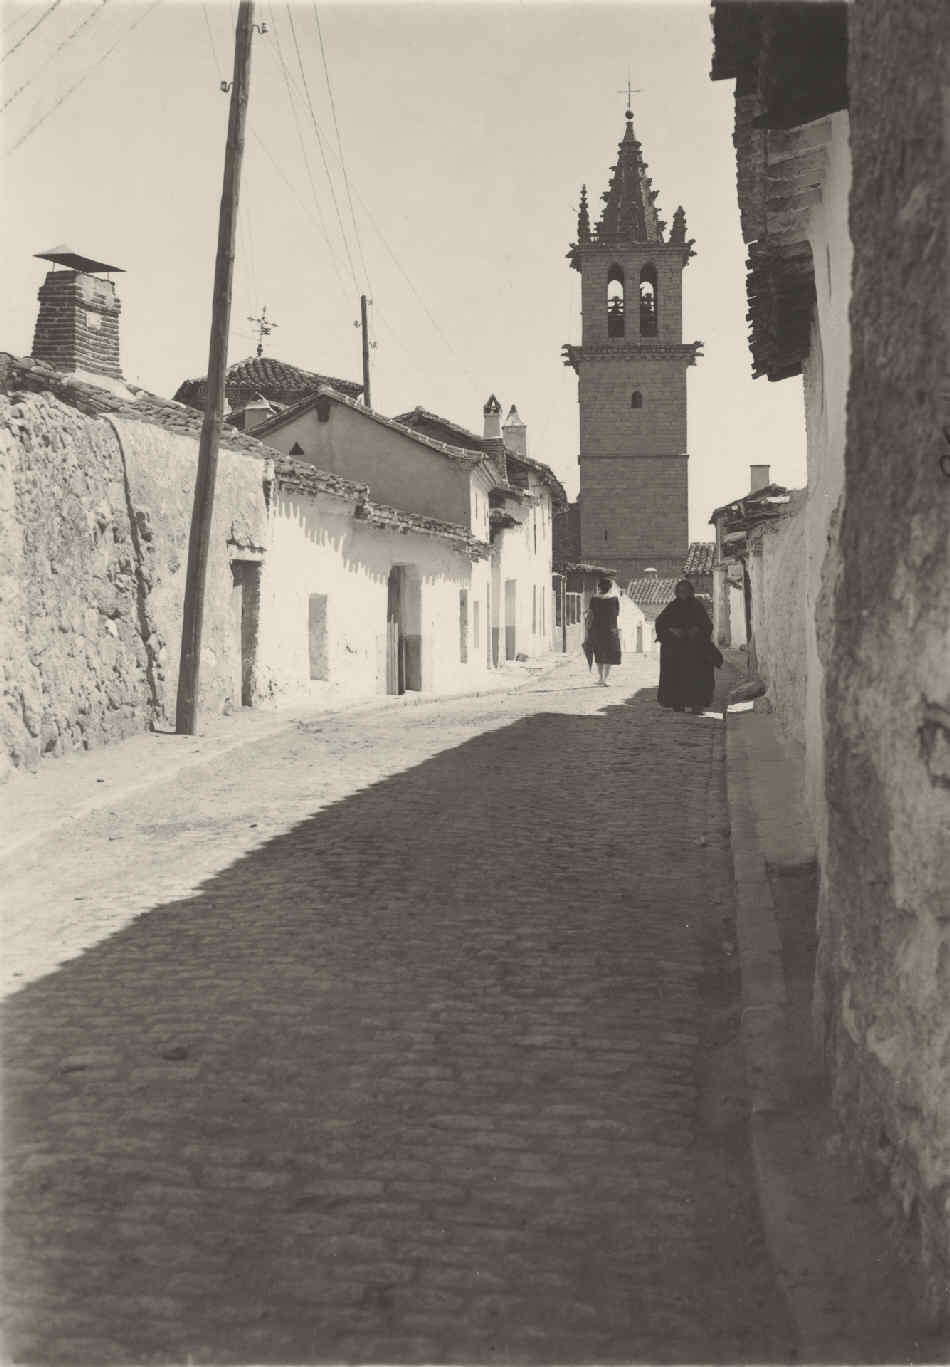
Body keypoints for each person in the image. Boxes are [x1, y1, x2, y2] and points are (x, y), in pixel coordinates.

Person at [655, 578, 716, 713]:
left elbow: (707, 625)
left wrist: (696, 630)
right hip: (676, 651)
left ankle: (697, 705)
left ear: (691, 592)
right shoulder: (672, 607)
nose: (683, 594)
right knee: (676, 677)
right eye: (680, 591)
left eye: (686, 591)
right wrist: (672, 630)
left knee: (697, 678)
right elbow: (660, 623)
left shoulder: (697, 607)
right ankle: (678, 703)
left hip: (695, 651)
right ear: (676, 592)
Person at [586, 577, 622, 686]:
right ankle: (605, 679)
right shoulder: (614, 599)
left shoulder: (594, 599)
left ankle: (601, 678)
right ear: (610, 587)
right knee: (609, 655)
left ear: (599, 587)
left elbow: (590, 615)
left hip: (596, 630)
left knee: (599, 654)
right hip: (611, 631)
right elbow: (617, 613)